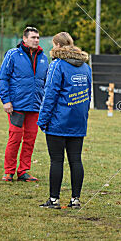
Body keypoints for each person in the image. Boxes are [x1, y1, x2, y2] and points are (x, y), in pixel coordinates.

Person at [37, 32, 91, 209]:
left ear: (58, 46)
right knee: (76, 160)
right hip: (78, 121)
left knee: (57, 160)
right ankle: (76, 199)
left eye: (53, 45)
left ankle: (54, 200)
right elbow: (88, 96)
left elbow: (50, 95)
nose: (52, 48)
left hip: (58, 122)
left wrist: (42, 120)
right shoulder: (85, 67)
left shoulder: (57, 65)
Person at [0, 26, 49, 182]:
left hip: (35, 106)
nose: (36, 40)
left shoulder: (44, 57)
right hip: (17, 106)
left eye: (38, 37)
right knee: (15, 138)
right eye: (33, 37)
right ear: (24, 39)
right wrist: (6, 101)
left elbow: (45, 82)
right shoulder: (13, 55)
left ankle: (24, 171)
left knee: (30, 139)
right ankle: (9, 171)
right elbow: (2, 79)